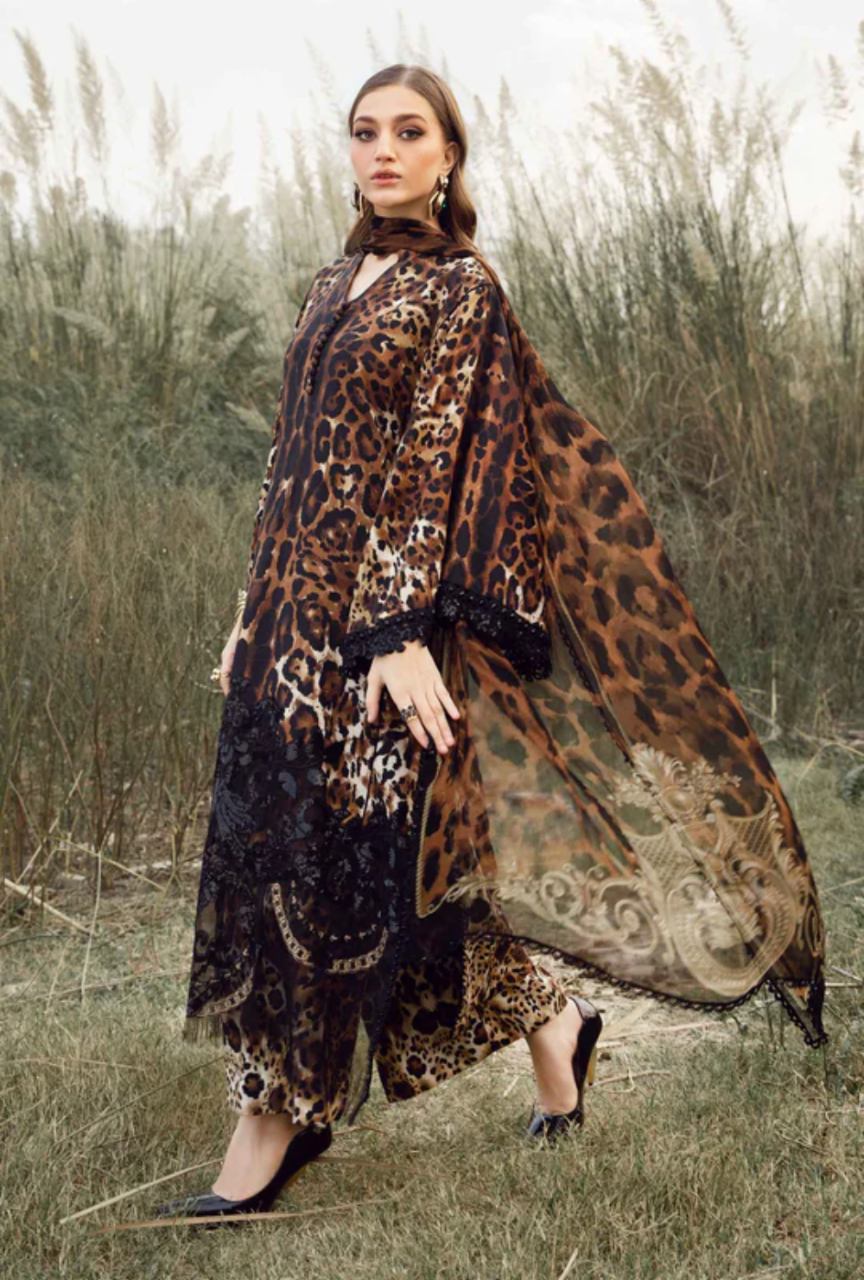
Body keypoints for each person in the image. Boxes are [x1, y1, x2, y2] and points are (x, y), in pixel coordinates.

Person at [157, 64, 827, 1223]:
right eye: (364, 131)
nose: (383, 150)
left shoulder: (459, 285)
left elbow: (435, 468)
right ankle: (559, 1025)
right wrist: (244, 610)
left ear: (449, 155)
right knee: (381, 871)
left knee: (332, 868)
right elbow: (290, 461)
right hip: (287, 619)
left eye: (409, 132)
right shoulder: (330, 283)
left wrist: (397, 634)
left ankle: (266, 1124)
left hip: (379, 634)